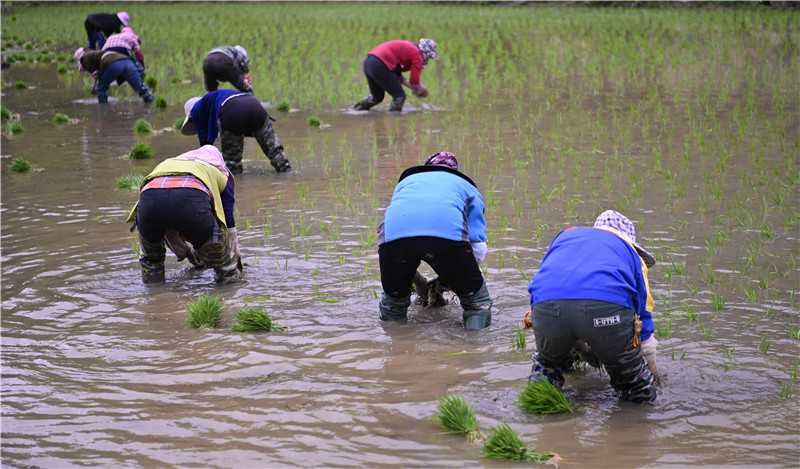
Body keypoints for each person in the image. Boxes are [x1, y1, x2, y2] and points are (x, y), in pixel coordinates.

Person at [526, 210, 659, 403]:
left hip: (545, 307)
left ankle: (537, 419)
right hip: (607, 307)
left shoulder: (566, 236)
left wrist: (575, 342)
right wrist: (652, 372)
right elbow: (643, 312)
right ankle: (634, 425)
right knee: (634, 387)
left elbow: (546, 284)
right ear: (629, 239)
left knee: (548, 366)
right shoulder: (629, 250)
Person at [377, 152, 492, 330]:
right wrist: (455, 281)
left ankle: (394, 349)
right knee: (477, 303)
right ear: (454, 172)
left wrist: (416, 280)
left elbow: (397, 233)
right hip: (447, 239)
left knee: (393, 304)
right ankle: (475, 349)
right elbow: (477, 247)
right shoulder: (468, 188)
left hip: (392, 240)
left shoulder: (406, 183)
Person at [125, 145, 243, 285]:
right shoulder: (218, 171)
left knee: (152, 262)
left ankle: (154, 300)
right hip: (192, 199)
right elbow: (228, 220)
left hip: (148, 201)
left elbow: (164, 204)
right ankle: (230, 297)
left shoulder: (167, 164)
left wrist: (185, 251)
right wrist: (228, 252)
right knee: (226, 271)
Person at [181, 91, 291, 174]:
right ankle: (287, 174)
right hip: (255, 105)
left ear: (191, 117)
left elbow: (205, 144)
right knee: (274, 151)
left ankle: (236, 187)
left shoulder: (195, 109)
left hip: (233, 111)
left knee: (232, 162)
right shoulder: (214, 98)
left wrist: (205, 164)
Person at [353, 38, 438, 112]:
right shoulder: (417, 54)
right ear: (426, 53)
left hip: (369, 63)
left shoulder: (410, 49)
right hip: (380, 65)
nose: (428, 60)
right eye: (429, 57)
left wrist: (412, 87)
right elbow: (414, 81)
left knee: (377, 97)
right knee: (399, 96)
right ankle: (394, 121)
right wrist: (422, 89)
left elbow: (395, 74)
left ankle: (356, 111)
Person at [74, 47, 154, 104]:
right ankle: (152, 105)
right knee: (142, 89)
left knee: (100, 89)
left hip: (113, 64)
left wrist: (96, 88)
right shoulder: (96, 53)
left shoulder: (84, 58)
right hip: (128, 62)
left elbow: (96, 74)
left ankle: (103, 111)